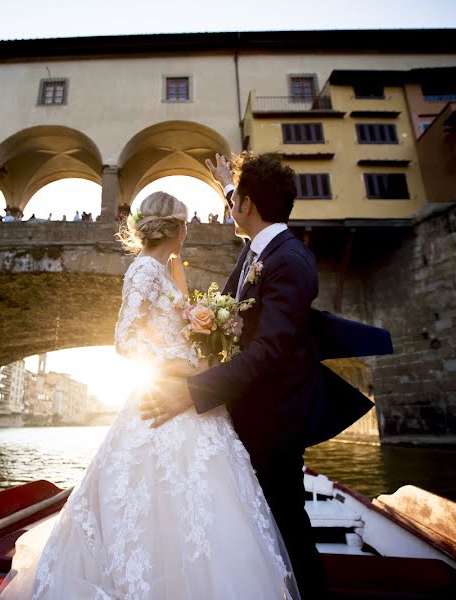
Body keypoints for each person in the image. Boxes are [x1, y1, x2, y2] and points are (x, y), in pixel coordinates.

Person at [0, 191, 299, 600]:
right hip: (165, 393)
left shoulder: (167, 269)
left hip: (193, 397)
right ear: (181, 227)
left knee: (201, 500)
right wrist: (175, 365)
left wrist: (200, 349)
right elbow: (125, 339)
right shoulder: (142, 270)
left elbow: (174, 330)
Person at [141, 152, 336, 599]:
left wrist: (193, 391)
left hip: (274, 421)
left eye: (236, 201)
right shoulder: (263, 243)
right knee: (259, 522)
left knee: (286, 522)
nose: (232, 206)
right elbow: (251, 208)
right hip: (249, 411)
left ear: (248, 207)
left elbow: (269, 350)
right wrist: (230, 186)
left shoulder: (290, 261)